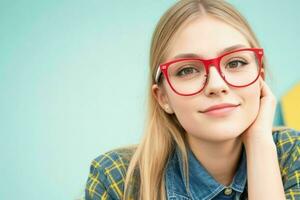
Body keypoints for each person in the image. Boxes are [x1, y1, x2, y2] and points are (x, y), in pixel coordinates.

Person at [85, 0, 300, 199]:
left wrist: (259, 142)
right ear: (163, 97)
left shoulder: (292, 152)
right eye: (188, 70)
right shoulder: (115, 178)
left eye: (235, 63)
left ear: (259, 80)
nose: (216, 85)